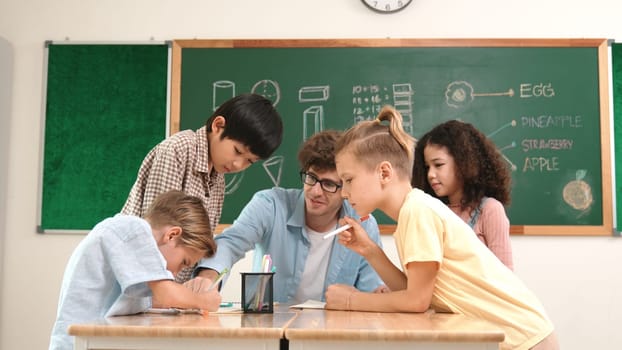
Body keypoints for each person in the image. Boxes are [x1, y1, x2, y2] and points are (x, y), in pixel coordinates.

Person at [325, 106, 558, 350]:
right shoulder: (411, 212)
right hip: (516, 337)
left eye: (348, 180)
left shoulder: (418, 211)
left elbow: (416, 301)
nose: (343, 192)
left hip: (524, 339)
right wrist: (370, 250)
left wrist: (351, 300)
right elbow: (413, 292)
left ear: (384, 172)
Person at [185, 130, 386, 303]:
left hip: (331, 333)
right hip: (270, 330)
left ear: (346, 187)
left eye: (329, 184)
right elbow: (230, 243)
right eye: (311, 178)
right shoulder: (270, 205)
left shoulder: (363, 225)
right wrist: (208, 277)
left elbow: (371, 290)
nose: (315, 191)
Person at [121, 93, 283, 282]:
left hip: (170, 291)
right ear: (218, 125)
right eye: (237, 151)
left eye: (249, 161)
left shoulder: (218, 179)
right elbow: (156, 240)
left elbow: (199, 247)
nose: (239, 165)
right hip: (140, 280)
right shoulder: (177, 150)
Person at [49, 191, 221, 350]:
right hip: (78, 344)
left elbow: (149, 300)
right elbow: (166, 296)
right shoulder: (133, 228)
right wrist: (204, 300)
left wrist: (187, 300)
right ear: (172, 235)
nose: (176, 273)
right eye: (184, 262)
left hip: (90, 340)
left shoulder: (130, 241)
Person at [411, 120, 514, 269]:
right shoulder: (431, 212)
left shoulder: (489, 210)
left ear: (463, 162)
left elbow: (506, 277)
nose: (430, 174)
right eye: (427, 167)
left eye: (438, 165)